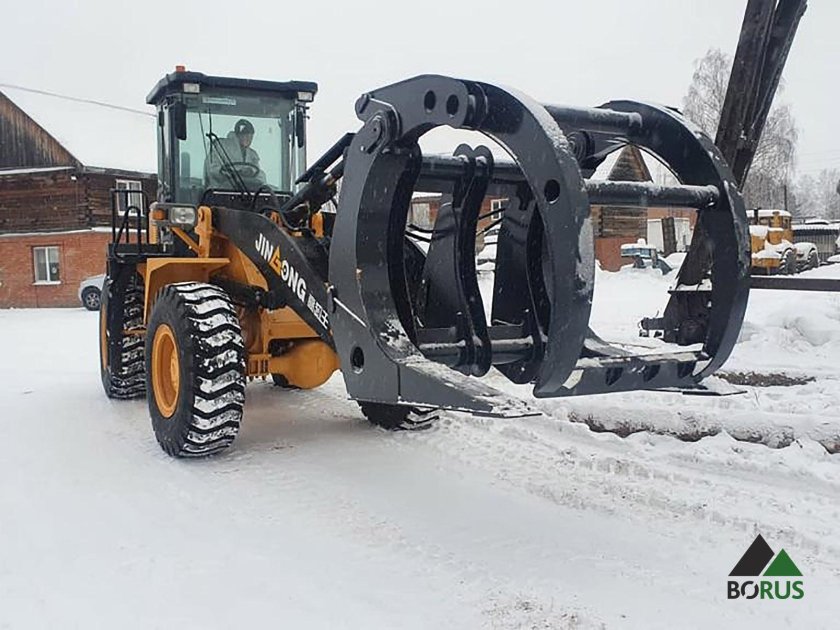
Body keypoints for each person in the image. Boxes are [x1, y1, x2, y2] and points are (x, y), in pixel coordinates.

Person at [204, 118, 266, 189]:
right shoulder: (220, 148)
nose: (248, 139)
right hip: (221, 193)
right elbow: (213, 170)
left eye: (250, 136)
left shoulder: (252, 155)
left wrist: (250, 172)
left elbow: (258, 175)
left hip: (248, 194)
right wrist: (232, 173)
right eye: (245, 135)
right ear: (237, 135)